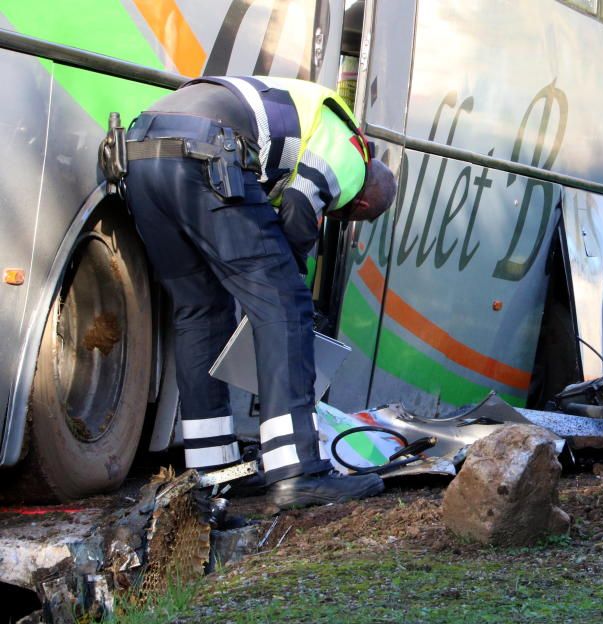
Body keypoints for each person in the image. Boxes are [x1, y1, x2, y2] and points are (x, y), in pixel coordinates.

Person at [120, 76, 396, 510]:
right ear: (359, 207)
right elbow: (300, 213)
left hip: (139, 153)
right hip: (206, 151)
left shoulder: (318, 119)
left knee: (201, 311)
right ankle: (298, 472)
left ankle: (214, 472)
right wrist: (285, 288)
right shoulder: (353, 157)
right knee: (286, 304)